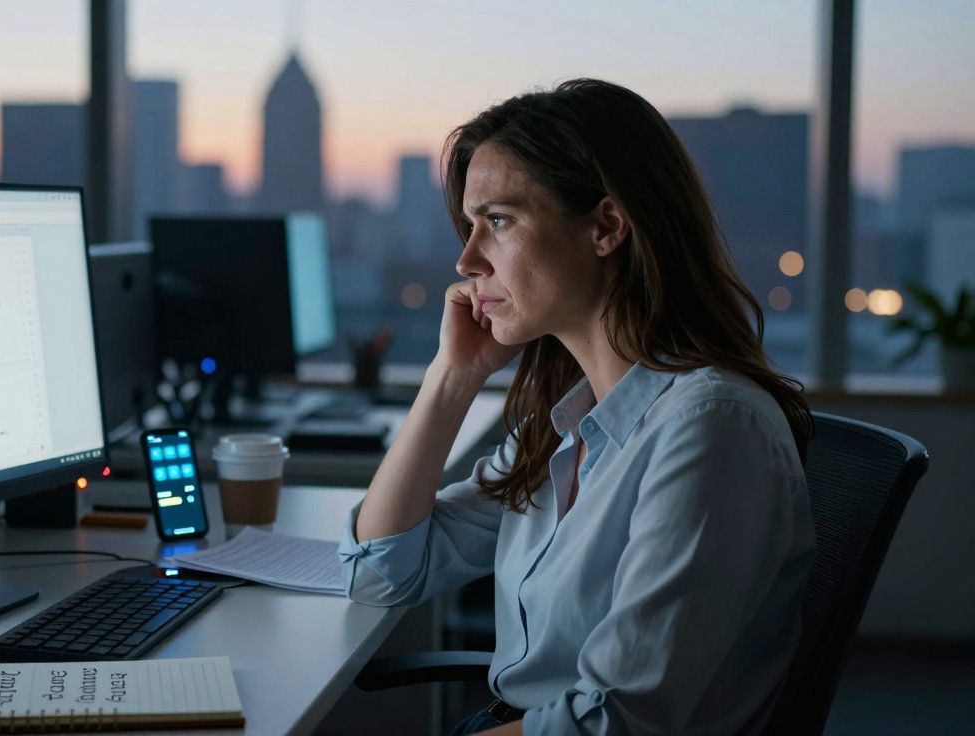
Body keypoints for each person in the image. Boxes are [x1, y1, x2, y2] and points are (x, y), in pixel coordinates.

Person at [339, 79, 816, 735]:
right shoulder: (565, 426)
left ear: (606, 227)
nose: (468, 258)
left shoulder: (711, 428)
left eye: (499, 221)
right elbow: (383, 572)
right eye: (469, 225)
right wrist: (452, 377)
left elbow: (612, 721)